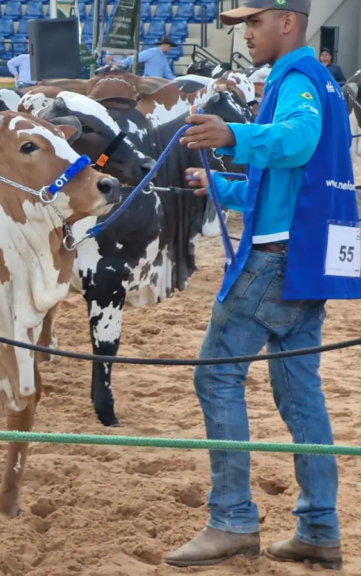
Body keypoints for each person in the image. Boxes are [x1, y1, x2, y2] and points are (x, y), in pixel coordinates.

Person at [166, 0, 358, 570]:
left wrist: (232, 132)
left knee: (216, 377)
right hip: (303, 261)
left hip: (274, 262)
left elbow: (297, 142)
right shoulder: (316, 79)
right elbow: (287, 181)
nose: (246, 34)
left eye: (253, 22)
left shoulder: (297, 76)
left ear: (288, 22)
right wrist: (222, 186)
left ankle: (231, 520)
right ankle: (319, 529)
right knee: (301, 394)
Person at [111, 35, 176, 80]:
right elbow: (137, 58)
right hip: (149, 80)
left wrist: (176, 80)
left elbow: (167, 73)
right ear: (164, 45)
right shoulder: (152, 52)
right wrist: (122, 62)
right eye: (169, 46)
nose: (170, 48)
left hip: (158, 82)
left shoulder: (164, 57)